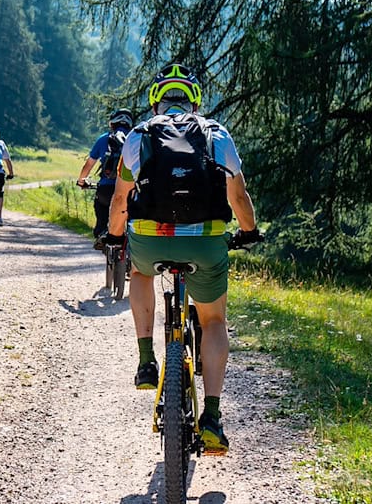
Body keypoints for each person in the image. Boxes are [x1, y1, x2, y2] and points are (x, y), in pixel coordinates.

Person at [104, 64, 262, 455]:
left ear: (156, 101)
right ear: (194, 100)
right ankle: (212, 416)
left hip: (150, 239)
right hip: (205, 242)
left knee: (139, 274)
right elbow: (238, 198)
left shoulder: (139, 135)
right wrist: (249, 231)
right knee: (214, 321)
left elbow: (121, 198)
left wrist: (114, 234)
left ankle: (145, 360)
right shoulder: (216, 134)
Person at [76, 108, 133, 247]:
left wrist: (81, 181)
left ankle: (101, 232)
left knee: (101, 206)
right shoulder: (135, 138)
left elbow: (88, 165)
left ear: (112, 123)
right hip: (130, 190)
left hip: (106, 189)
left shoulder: (103, 139)